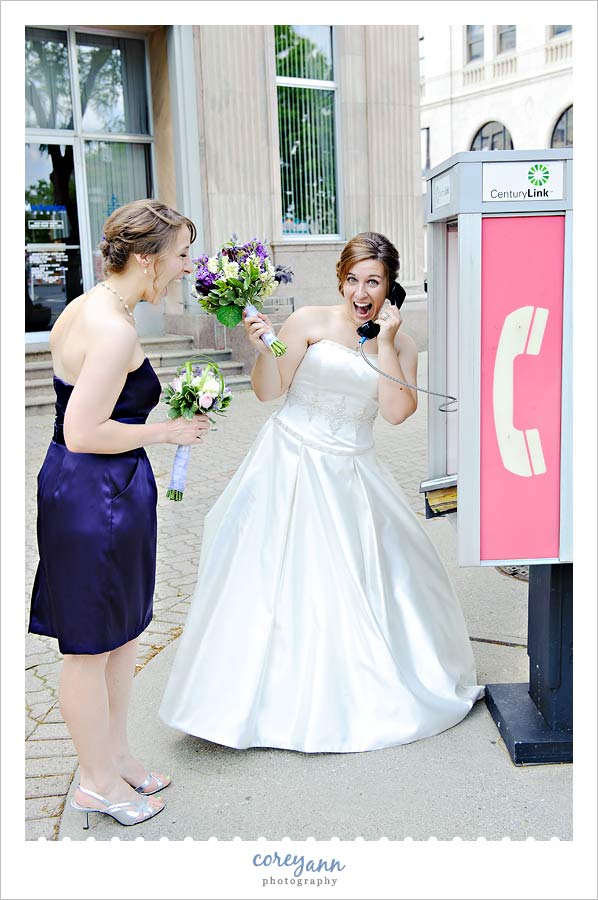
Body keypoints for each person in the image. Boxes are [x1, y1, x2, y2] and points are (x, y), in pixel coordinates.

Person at [160, 232, 484, 753]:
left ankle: (345, 697)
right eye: (353, 279)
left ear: (389, 287)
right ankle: (238, 702)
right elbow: (269, 391)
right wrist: (263, 344)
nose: (361, 292)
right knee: (268, 579)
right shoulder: (308, 321)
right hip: (286, 460)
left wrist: (381, 342)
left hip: (352, 473)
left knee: (360, 584)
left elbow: (399, 413)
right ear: (341, 278)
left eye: (373, 282)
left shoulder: (399, 343)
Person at [29, 199, 210, 827]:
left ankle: (117, 755)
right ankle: (96, 784)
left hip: (103, 491)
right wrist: (166, 433)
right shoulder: (114, 328)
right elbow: (82, 431)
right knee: (87, 649)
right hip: (92, 496)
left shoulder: (91, 305)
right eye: (181, 254)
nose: (188, 266)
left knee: (121, 636)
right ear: (145, 258)